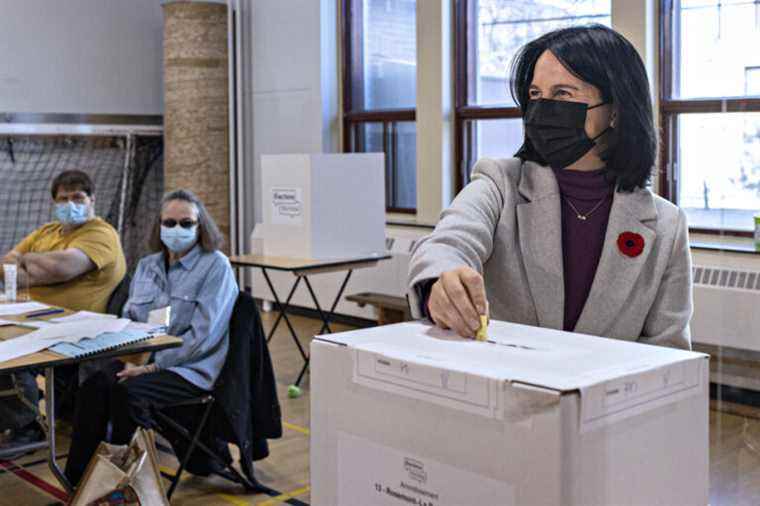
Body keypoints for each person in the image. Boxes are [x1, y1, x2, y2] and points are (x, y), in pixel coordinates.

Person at [408, 25, 693, 350]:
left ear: (614, 110)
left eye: (562, 94)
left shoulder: (667, 225)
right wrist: (439, 281)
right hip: (504, 390)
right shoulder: (499, 183)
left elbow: (668, 356)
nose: (544, 108)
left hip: (607, 398)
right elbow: (448, 243)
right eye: (535, 95)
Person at [64, 189, 238, 487]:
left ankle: (123, 486)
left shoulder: (216, 266)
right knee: (94, 385)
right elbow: (132, 321)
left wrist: (153, 367)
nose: (177, 230)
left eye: (186, 223)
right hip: (142, 356)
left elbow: (202, 337)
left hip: (190, 367)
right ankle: (78, 484)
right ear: (158, 226)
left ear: (201, 226)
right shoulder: (147, 265)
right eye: (169, 223)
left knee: (125, 394)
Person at [0, 170, 126, 451]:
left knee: (6, 351)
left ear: (92, 200)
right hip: (32, 318)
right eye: (63, 198)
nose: (71, 203)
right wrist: (38, 268)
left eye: (78, 197)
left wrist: (28, 261)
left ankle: (27, 424)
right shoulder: (48, 232)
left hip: (76, 329)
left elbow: (64, 267)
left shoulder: (101, 234)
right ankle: (12, 416)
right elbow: (7, 266)